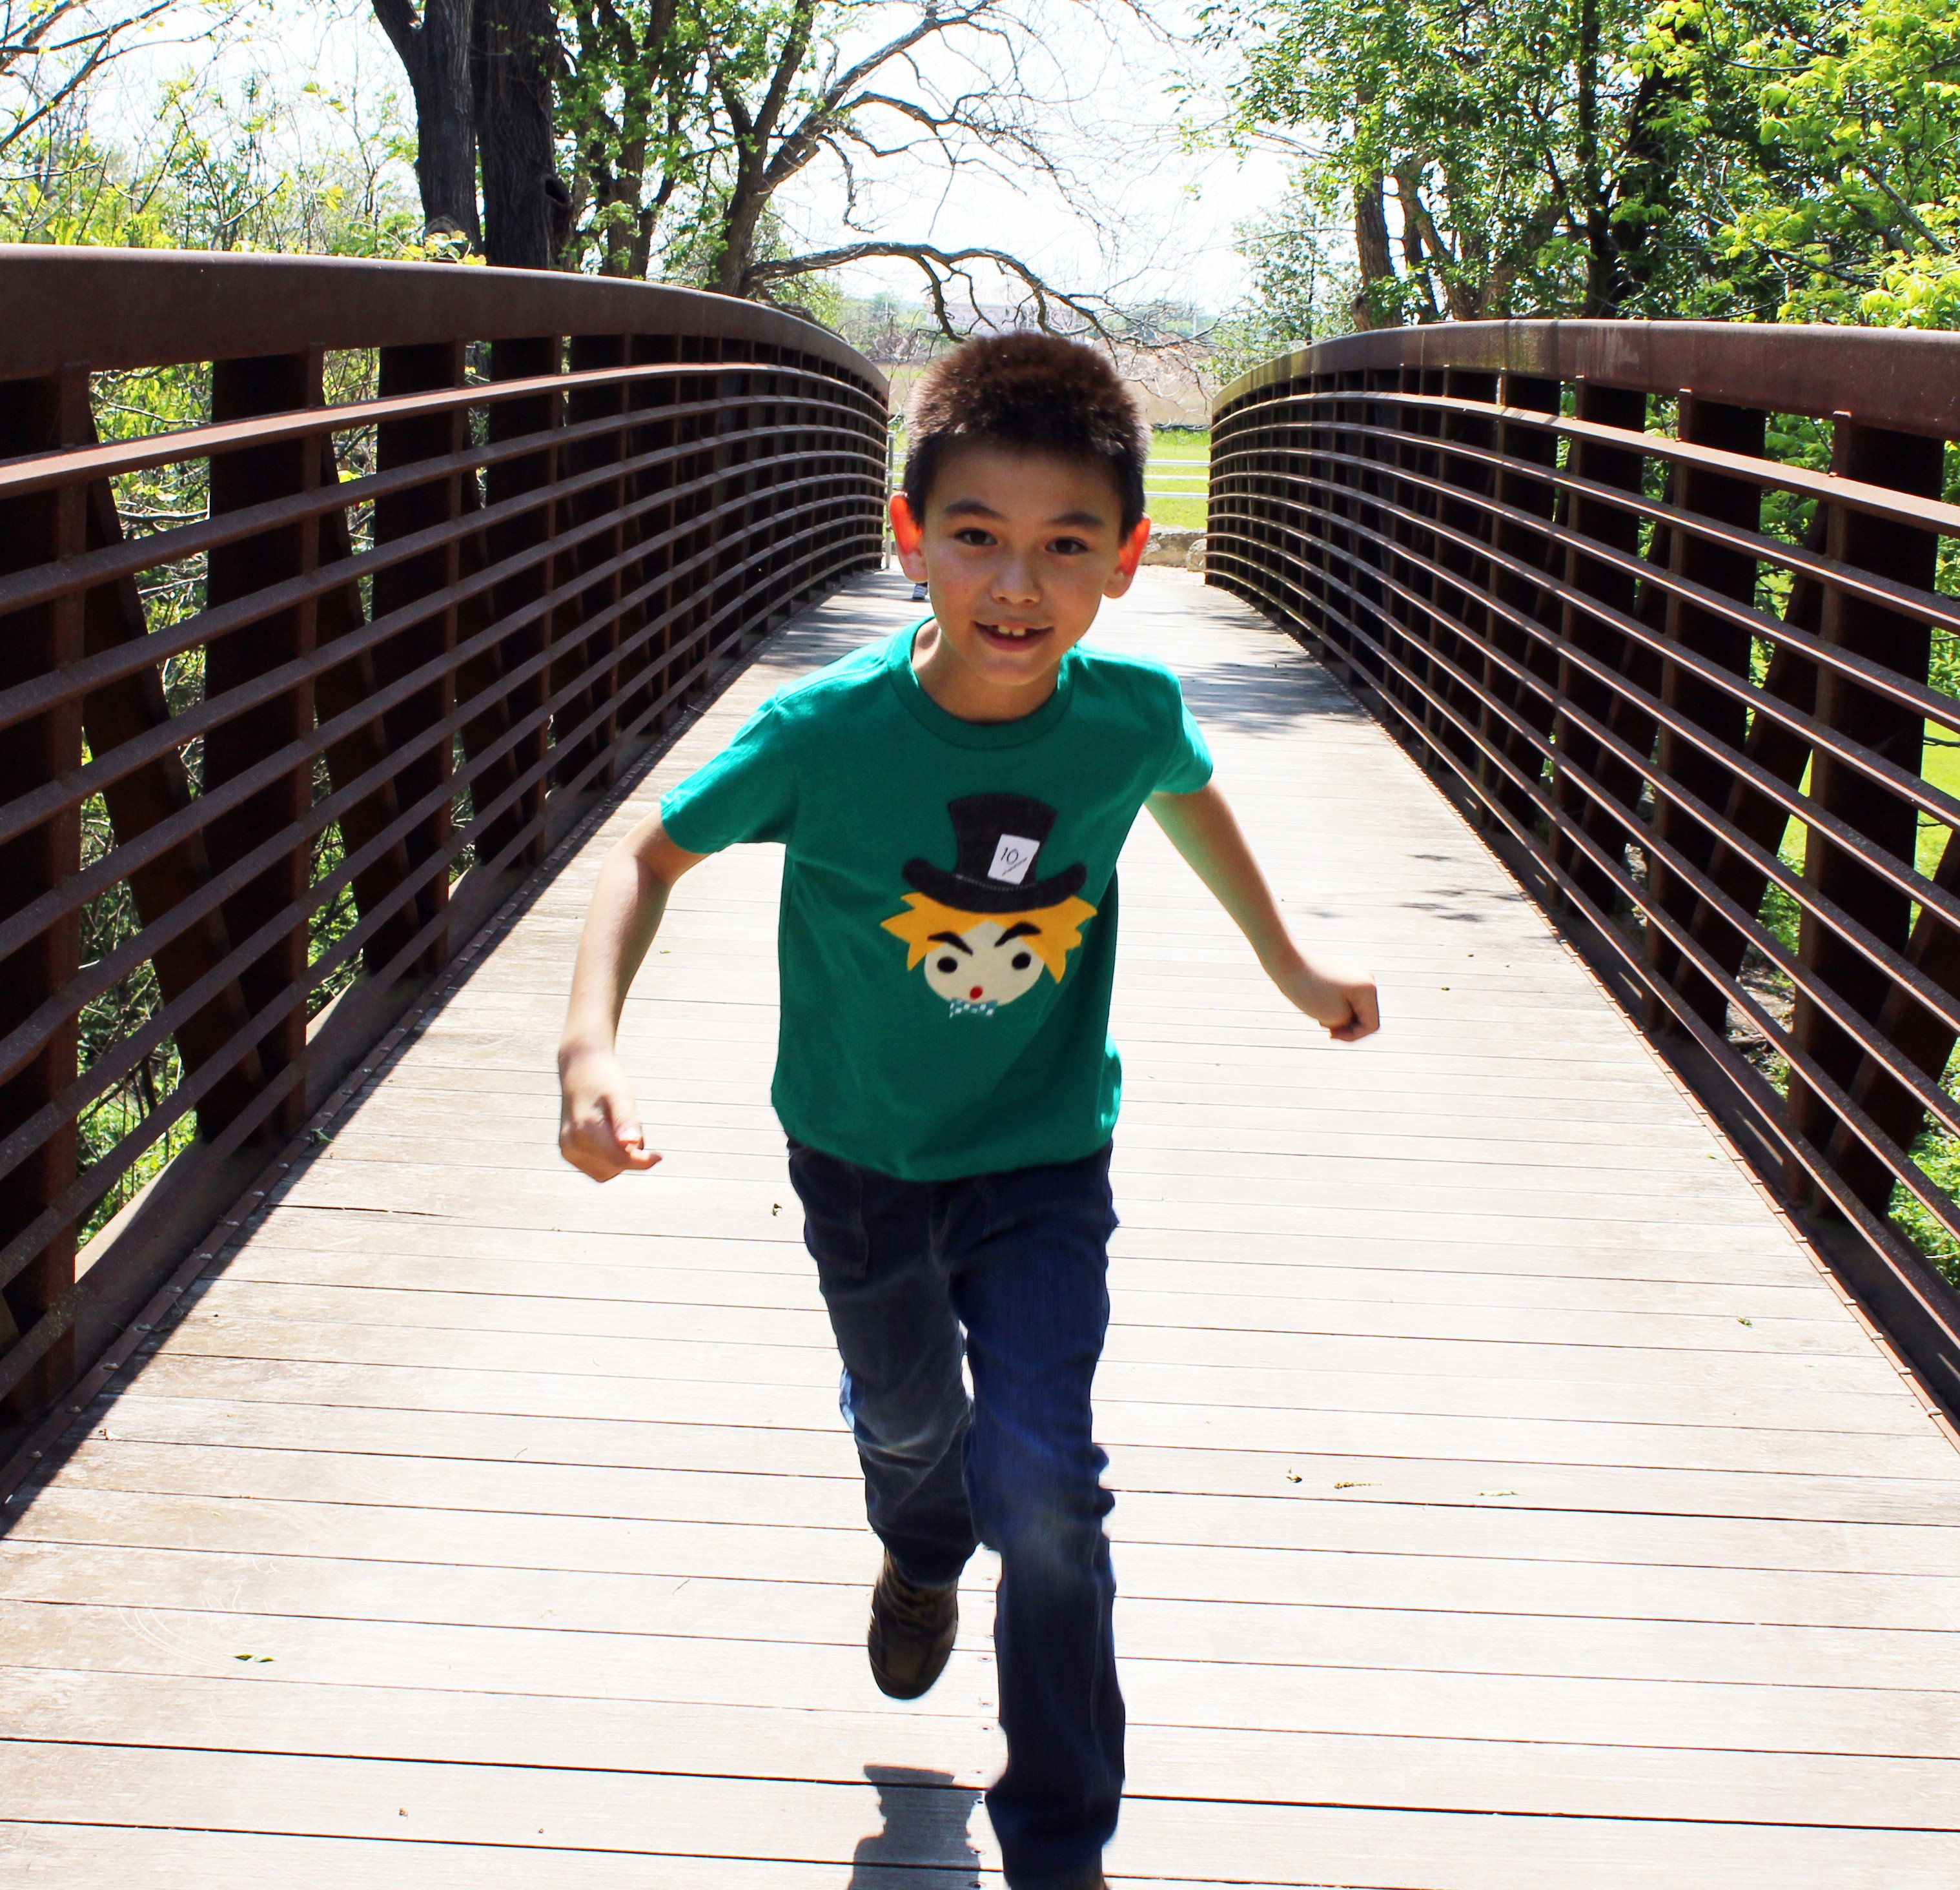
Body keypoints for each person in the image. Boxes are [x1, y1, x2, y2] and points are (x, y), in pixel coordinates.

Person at [556, 333, 1380, 1890]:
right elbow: (646, 859)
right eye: (978, 537)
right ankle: (918, 1547)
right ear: (908, 537)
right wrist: (588, 1048)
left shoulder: (1124, 714)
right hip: (859, 1152)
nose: (1018, 584)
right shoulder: (826, 735)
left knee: (1048, 1485)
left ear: (1128, 557)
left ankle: (1059, 1847)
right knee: (911, 1426)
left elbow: (1186, 781)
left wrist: (1290, 960)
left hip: (1044, 1153)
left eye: (1067, 545)